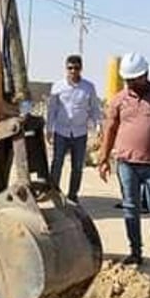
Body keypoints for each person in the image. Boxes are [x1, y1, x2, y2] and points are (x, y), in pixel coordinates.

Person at [96, 52, 150, 265]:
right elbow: (110, 130)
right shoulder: (118, 100)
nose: (132, 83)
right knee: (130, 209)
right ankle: (135, 252)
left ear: (146, 74)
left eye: (135, 79)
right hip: (127, 165)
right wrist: (103, 158)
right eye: (128, 80)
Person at [46, 54, 102, 202]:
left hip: (80, 133)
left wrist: (98, 127)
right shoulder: (57, 87)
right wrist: (49, 129)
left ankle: (72, 195)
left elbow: (94, 109)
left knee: (77, 167)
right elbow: (52, 110)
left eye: (76, 68)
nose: (73, 71)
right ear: (66, 68)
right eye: (70, 68)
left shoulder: (88, 88)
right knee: (57, 163)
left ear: (81, 69)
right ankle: (54, 192)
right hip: (61, 131)